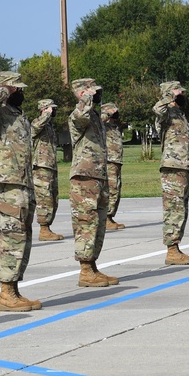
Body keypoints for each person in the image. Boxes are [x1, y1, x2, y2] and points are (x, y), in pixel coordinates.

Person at [0, 71, 41, 311]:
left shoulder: (17, 114)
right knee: (10, 236)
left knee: (21, 237)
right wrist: (3, 92)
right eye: (17, 89)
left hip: (22, 181)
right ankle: (6, 293)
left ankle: (14, 289)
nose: (21, 93)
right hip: (7, 183)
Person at [69, 78, 118, 287]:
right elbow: (80, 116)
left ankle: (93, 266)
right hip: (85, 176)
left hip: (98, 174)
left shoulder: (96, 116)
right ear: (83, 94)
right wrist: (85, 99)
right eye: (93, 92)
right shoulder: (78, 114)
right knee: (86, 223)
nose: (98, 94)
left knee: (97, 223)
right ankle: (85, 270)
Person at [153, 81, 189, 265]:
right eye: (179, 92)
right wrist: (170, 96)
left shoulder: (179, 113)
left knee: (181, 208)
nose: (182, 94)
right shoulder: (165, 112)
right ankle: (171, 251)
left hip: (181, 165)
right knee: (174, 207)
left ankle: (176, 247)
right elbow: (157, 109)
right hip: (172, 166)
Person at [31, 98, 63, 241]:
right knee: (44, 198)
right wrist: (45, 115)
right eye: (51, 108)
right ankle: (44, 229)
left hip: (50, 166)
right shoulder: (37, 122)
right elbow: (34, 130)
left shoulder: (49, 126)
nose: (54, 111)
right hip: (41, 166)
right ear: (44, 109)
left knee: (53, 198)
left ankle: (47, 227)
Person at [102, 102, 126, 231]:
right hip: (108, 161)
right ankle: (105, 218)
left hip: (116, 161)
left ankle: (110, 217)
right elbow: (100, 119)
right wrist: (107, 112)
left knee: (116, 189)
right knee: (110, 189)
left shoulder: (114, 127)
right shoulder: (102, 125)